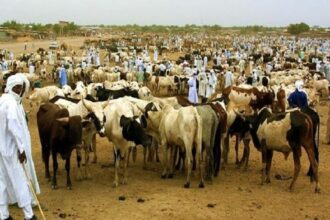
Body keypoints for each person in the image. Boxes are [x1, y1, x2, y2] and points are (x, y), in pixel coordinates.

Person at [0, 75, 37, 220]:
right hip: (11, 150)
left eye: (20, 88)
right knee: (20, 181)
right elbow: (14, 127)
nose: (19, 91)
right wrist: (21, 149)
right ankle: (29, 215)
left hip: (1, 149)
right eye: (17, 88)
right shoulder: (12, 104)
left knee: (1, 181)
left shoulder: (2, 100)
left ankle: (3, 215)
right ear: (11, 87)